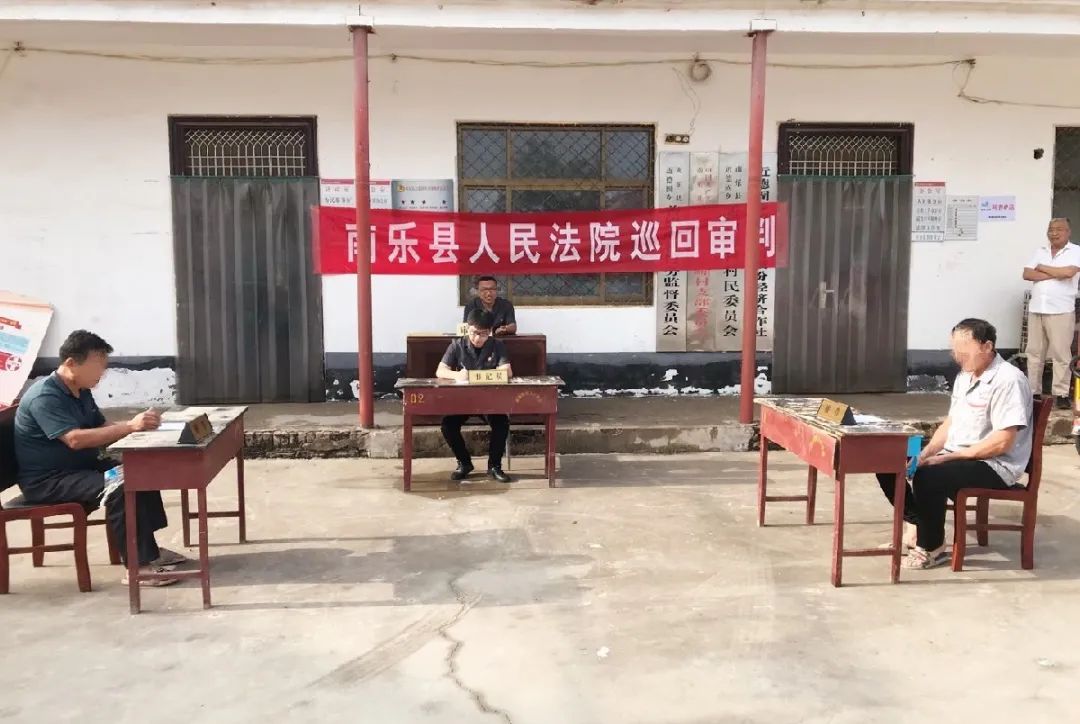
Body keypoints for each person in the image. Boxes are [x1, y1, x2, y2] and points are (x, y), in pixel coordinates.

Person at [13, 330, 187, 586]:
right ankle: (138, 568)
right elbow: (74, 439)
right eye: (98, 367)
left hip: (81, 469)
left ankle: (149, 551)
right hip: (49, 481)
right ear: (71, 363)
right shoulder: (45, 397)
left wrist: (140, 428)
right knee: (120, 486)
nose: (102, 374)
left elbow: (102, 426)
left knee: (140, 470)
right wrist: (130, 426)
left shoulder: (81, 390)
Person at [875, 319, 1032, 570]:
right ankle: (918, 525)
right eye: (954, 351)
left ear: (987, 346)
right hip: (956, 454)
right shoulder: (964, 376)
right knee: (886, 458)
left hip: (993, 464)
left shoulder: (1009, 380)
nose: (957, 357)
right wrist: (925, 453)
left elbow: (1002, 442)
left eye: (964, 352)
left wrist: (945, 458)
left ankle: (932, 547)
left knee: (929, 475)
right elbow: (950, 424)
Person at [437, 310, 514, 483]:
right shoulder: (456, 345)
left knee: (501, 423)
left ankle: (494, 466)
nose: (478, 338)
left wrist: (482, 375)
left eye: (483, 334)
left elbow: (507, 371)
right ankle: (464, 463)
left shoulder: (497, 345)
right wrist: (457, 375)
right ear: (467, 328)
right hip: (463, 399)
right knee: (448, 425)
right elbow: (440, 370)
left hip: (489, 399)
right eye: (474, 333)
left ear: (490, 332)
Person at [1022, 217, 1080, 410]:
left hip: (1061, 310)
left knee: (1061, 354)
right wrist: (1056, 273)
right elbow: (1027, 274)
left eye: (1059, 229)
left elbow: (1068, 273)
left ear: (1068, 232)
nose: (1054, 233)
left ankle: (1061, 394)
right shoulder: (1040, 251)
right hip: (1037, 309)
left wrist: (1042, 267)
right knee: (1034, 353)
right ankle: (1033, 392)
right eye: (1051, 229)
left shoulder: (1076, 251)